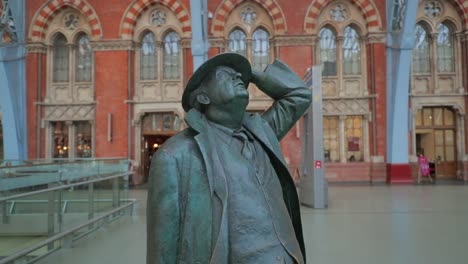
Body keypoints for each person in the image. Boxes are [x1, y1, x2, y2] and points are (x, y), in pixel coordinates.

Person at [147, 53, 311, 264]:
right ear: (203, 97)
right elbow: (162, 250)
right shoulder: (175, 155)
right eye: (226, 74)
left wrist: (251, 74)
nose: (237, 77)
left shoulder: (263, 133)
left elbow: (300, 95)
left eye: (239, 76)